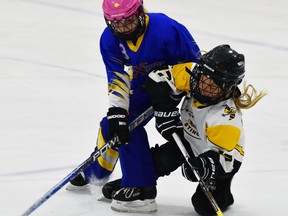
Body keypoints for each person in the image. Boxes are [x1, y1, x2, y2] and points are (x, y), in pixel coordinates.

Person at [66, 0, 201, 213]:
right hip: (143, 87)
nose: (123, 28)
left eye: (128, 21)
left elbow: (195, 68)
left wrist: (172, 93)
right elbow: (117, 77)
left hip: (174, 89)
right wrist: (117, 111)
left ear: (139, 13)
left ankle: (140, 188)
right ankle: (97, 173)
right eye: (116, 24)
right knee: (116, 125)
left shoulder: (167, 28)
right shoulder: (109, 39)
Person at [102, 44, 267, 215]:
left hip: (220, 157)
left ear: (228, 87)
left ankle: (224, 193)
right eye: (204, 78)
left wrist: (204, 166)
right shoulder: (192, 73)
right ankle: (136, 182)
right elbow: (156, 78)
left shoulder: (225, 118)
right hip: (189, 139)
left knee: (204, 206)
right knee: (160, 161)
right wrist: (164, 108)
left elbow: (224, 159)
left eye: (213, 85)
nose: (204, 86)